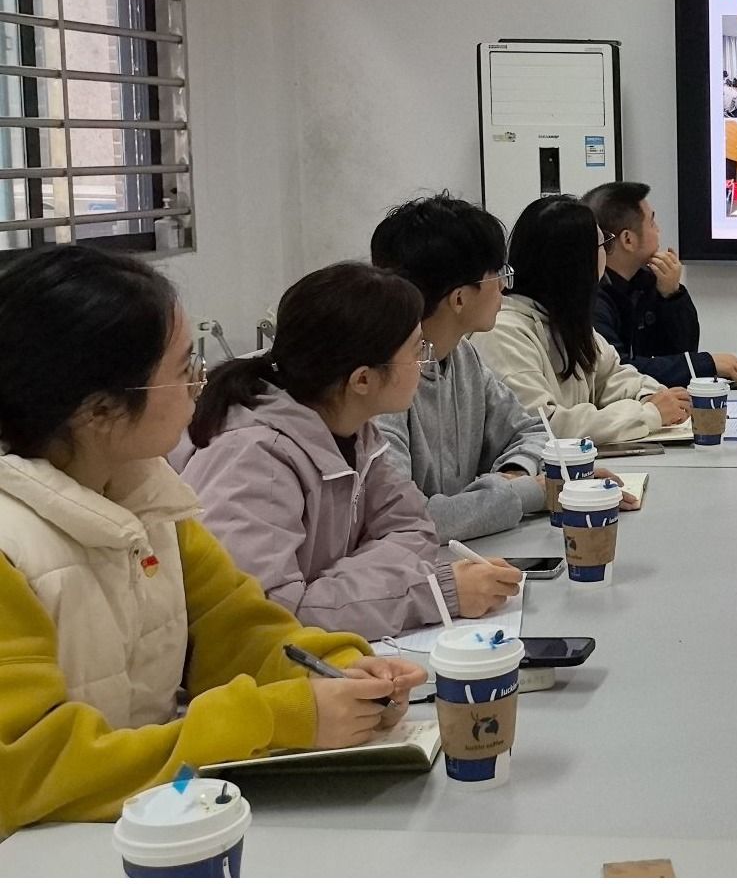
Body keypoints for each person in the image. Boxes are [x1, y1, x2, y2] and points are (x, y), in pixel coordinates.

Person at [0, 246, 426, 835]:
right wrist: (273, 718)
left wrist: (337, 670)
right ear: (99, 411)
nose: (200, 383)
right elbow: (26, 770)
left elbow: (239, 629)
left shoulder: (149, 501)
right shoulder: (12, 545)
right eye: (183, 369)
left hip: (152, 821)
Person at [180, 263, 523, 640]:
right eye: (416, 350)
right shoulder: (255, 460)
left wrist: (336, 591)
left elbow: (413, 528)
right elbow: (268, 617)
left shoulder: (356, 430)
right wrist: (429, 592)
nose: (424, 362)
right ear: (363, 379)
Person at [371, 193, 631, 543]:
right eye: (497, 275)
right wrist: (533, 491)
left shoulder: (462, 355)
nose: (506, 285)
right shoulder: (383, 382)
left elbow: (533, 430)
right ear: (459, 298)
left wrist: (514, 473)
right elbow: (408, 518)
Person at [474, 196, 692, 445]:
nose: (606, 256)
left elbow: (615, 377)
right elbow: (543, 425)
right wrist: (648, 414)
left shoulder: (566, 321)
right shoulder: (503, 333)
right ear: (577, 262)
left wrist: (655, 397)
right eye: (603, 245)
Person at [584, 181, 737, 389]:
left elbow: (683, 349)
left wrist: (672, 296)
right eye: (652, 223)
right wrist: (704, 365)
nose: (659, 230)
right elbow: (619, 371)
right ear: (628, 240)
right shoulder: (591, 298)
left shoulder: (647, 280)